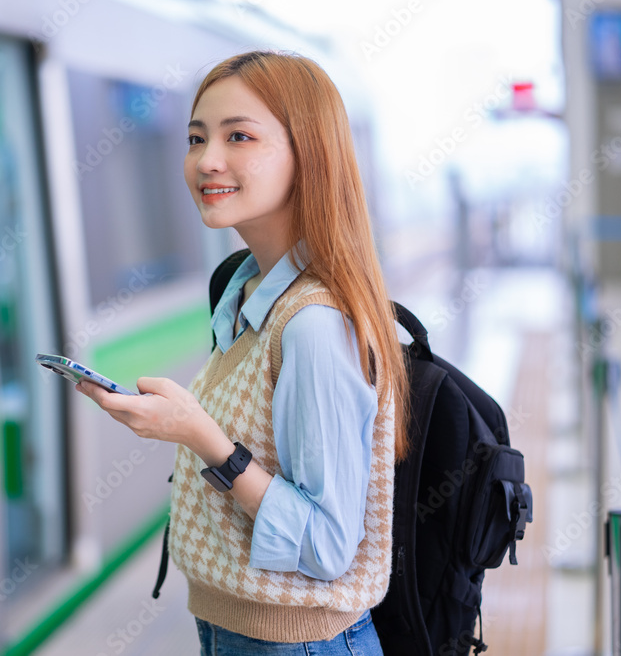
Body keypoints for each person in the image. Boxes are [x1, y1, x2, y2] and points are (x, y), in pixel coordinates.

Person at [76, 50, 409, 655]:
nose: (208, 161)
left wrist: (201, 437)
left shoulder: (313, 324)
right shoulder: (246, 292)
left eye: (240, 136)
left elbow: (327, 547)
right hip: (237, 634)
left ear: (309, 153)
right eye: (196, 137)